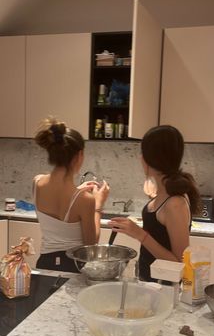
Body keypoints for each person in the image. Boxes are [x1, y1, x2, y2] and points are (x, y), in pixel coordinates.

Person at [108, 125, 201, 282]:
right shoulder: (165, 193)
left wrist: (139, 234)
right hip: (149, 283)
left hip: (163, 289)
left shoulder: (175, 203)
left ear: (151, 159)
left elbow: (180, 264)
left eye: (142, 152)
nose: (140, 157)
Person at [33, 117, 109, 273]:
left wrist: (78, 191)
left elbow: (60, 197)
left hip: (44, 263)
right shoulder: (85, 200)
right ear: (79, 156)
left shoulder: (37, 183)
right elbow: (91, 247)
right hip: (72, 267)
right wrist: (98, 205)